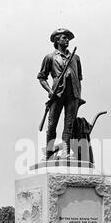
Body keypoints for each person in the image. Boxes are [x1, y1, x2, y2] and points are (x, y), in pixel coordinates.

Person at [37, 28, 85, 160]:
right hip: (57, 94)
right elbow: (42, 77)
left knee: (69, 125)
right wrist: (50, 91)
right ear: (57, 40)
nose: (67, 40)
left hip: (73, 95)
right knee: (52, 125)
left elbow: (79, 78)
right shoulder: (50, 57)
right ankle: (49, 153)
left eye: (68, 38)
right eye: (64, 37)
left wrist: (78, 95)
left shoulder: (75, 58)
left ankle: (66, 152)